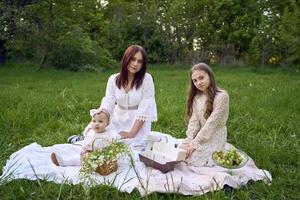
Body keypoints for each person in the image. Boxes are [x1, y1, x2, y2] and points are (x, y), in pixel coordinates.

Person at [96, 45, 157, 144]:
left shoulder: (147, 79)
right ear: (126, 58)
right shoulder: (113, 79)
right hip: (117, 118)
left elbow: (145, 108)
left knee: (129, 145)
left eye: (140, 61)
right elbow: (108, 103)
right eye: (133, 59)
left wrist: (131, 134)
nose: (135, 64)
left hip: (137, 124)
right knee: (100, 140)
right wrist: (99, 120)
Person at [179, 62, 229, 167]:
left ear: (210, 76)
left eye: (201, 78)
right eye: (195, 80)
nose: (198, 82)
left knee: (192, 158)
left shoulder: (222, 96)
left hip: (214, 135)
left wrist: (195, 143)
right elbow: (194, 121)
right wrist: (190, 140)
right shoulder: (198, 97)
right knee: (181, 152)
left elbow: (211, 124)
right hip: (201, 135)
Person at [51, 109, 120, 166]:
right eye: (94, 121)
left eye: (100, 121)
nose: (96, 124)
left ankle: (64, 162)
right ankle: (62, 162)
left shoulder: (110, 133)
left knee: (81, 159)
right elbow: (87, 143)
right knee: (77, 159)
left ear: (107, 123)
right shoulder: (92, 132)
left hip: (103, 156)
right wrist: (85, 150)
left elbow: (117, 140)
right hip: (90, 153)